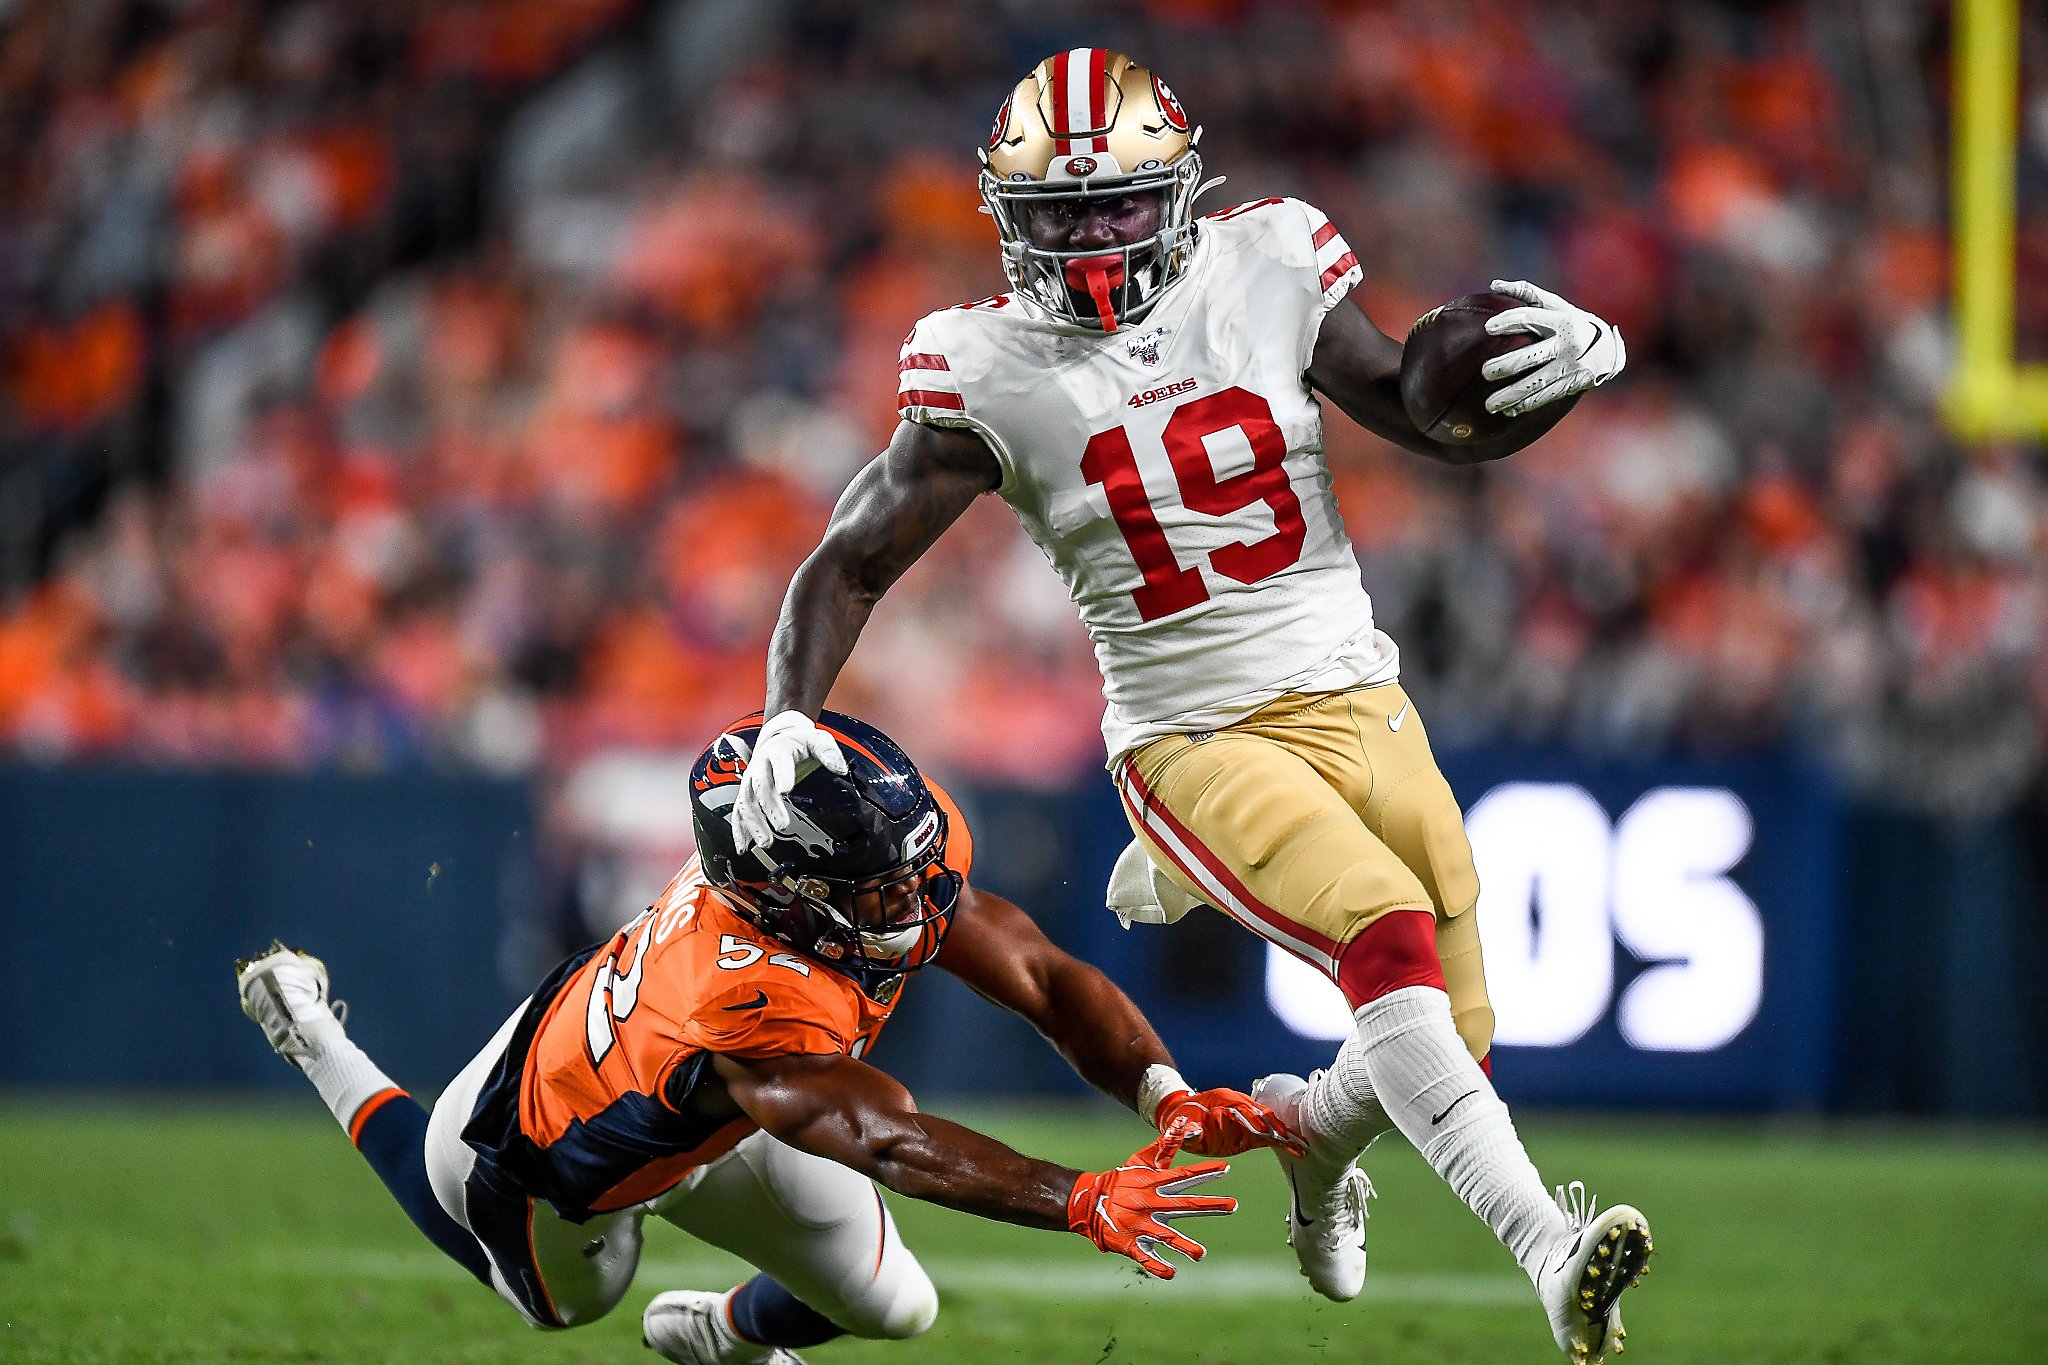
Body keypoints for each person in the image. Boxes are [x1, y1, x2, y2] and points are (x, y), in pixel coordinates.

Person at [731, 49, 1651, 1365]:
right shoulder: (983, 366)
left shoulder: (1268, 265)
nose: (1094, 235)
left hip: (1360, 698)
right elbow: (850, 560)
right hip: (1193, 736)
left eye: (1117, 204)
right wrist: (782, 719)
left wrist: (1555, 378)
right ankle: (1554, 1256)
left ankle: (1312, 1136)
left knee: (1453, 1040)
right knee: (1381, 931)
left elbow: (1420, 408)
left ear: (1177, 190)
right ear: (1010, 219)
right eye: (1063, 212)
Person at [236, 709, 1299, 1365]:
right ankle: (319, 1044)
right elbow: (883, 1137)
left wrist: (1164, 1090)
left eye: (905, 865)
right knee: (562, 1303)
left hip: (730, 1101)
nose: (910, 899)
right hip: (545, 1138)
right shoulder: (745, 998)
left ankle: (720, 1339)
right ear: (782, 894)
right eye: (875, 885)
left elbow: (1038, 973)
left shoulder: (850, 871)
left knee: (895, 1305)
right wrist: (1074, 1196)